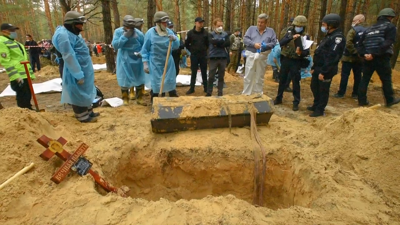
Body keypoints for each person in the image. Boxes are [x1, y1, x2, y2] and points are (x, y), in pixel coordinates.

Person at [52, 11, 99, 123]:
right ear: (71, 23)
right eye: (79, 24)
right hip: (74, 68)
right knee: (77, 92)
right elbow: (68, 55)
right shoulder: (63, 35)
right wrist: (78, 74)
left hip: (83, 66)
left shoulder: (72, 32)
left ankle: (88, 111)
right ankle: (82, 116)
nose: (81, 27)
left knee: (86, 90)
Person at [357, 8, 400, 107]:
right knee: (386, 79)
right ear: (389, 17)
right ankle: (389, 100)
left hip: (368, 58)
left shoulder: (369, 28)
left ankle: (362, 101)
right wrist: (375, 54)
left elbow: (360, 44)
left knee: (365, 79)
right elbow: (388, 42)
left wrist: (365, 54)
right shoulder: (390, 27)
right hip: (381, 57)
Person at [308, 14, 345, 117]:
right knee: (314, 86)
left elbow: (333, 56)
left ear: (331, 24)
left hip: (327, 69)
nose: (323, 27)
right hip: (319, 67)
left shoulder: (338, 38)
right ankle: (316, 105)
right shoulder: (329, 36)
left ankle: (320, 109)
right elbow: (321, 52)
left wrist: (324, 71)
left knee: (323, 90)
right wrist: (314, 67)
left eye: (324, 24)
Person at [141, 11, 180, 103]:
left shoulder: (169, 32)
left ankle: (172, 102)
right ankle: (156, 103)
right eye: (164, 22)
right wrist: (145, 63)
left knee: (170, 81)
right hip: (155, 63)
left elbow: (176, 46)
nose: (166, 24)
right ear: (158, 22)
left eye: (167, 22)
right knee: (157, 85)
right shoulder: (150, 33)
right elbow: (145, 50)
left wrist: (175, 40)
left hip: (168, 62)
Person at [274, 15, 310, 111]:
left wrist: (301, 53)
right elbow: (280, 43)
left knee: (296, 81)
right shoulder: (288, 32)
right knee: (282, 79)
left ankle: (296, 102)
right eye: (297, 25)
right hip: (286, 59)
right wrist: (290, 38)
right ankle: (278, 98)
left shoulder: (306, 36)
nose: (298, 27)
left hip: (296, 61)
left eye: (301, 26)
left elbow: (307, 51)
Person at [112, 15, 147, 106]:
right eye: (128, 27)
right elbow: (115, 45)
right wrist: (124, 37)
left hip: (137, 59)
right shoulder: (118, 32)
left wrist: (141, 53)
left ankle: (139, 98)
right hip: (124, 59)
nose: (130, 29)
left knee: (139, 78)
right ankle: (125, 99)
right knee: (124, 78)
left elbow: (144, 45)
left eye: (131, 27)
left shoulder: (138, 33)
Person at [0, 23, 35, 109]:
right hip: (17, 74)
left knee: (27, 94)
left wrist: (30, 74)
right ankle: (25, 113)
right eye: (11, 30)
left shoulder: (14, 41)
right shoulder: (2, 42)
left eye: (14, 30)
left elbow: (22, 58)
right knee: (22, 95)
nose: (14, 32)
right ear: (4, 31)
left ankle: (29, 110)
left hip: (24, 72)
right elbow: (6, 61)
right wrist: (16, 76)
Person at [242, 13, 276, 95]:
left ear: (266, 23)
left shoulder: (271, 31)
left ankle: (258, 93)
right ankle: (246, 93)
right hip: (251, 54)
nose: (260, 24)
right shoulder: (251, 29)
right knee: (248, 75)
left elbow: (273, 42)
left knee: (259, 75)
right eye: (258, 22)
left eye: (262, 22)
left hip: (262, 55)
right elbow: (245, 39)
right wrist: (254, 44)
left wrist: (265, 46)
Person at [333, 14, 366, 99]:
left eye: (354, 20)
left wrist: (354, 52)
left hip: (348, 57)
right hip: (360, 58)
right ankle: (355, 93)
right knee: (358, 76)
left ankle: (341, 93)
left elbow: (348, 43)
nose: (353, 22)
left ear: (359, 21)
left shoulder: (353, 30)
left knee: (345, 76)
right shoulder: (367, 31)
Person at [185, 17, 209, 94]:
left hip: (203, 55)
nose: (201, 24)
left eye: (202, 22)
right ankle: (192, 88)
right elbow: (187, 44)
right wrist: (191, 50)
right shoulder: (190, 33)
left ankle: (206, 88)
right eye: (199, 22)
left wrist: (205, 50)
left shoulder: (205, 33)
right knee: (194, 72)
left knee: (204, 72)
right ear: (195, 23)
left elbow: (208, 44)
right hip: (194, 55)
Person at [206, 18, 230, 97]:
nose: (220, 27)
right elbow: (212, 42)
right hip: (213, 57)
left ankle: (220, 92)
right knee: (211, 76)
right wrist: (221, 42)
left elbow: (227, 43)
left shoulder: (225, 34)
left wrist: (218, 43)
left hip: (223, 57)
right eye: (218, 25)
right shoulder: (210, 34)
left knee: (221, 76)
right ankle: (209, 92)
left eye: (221, 26)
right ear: (214, 25)